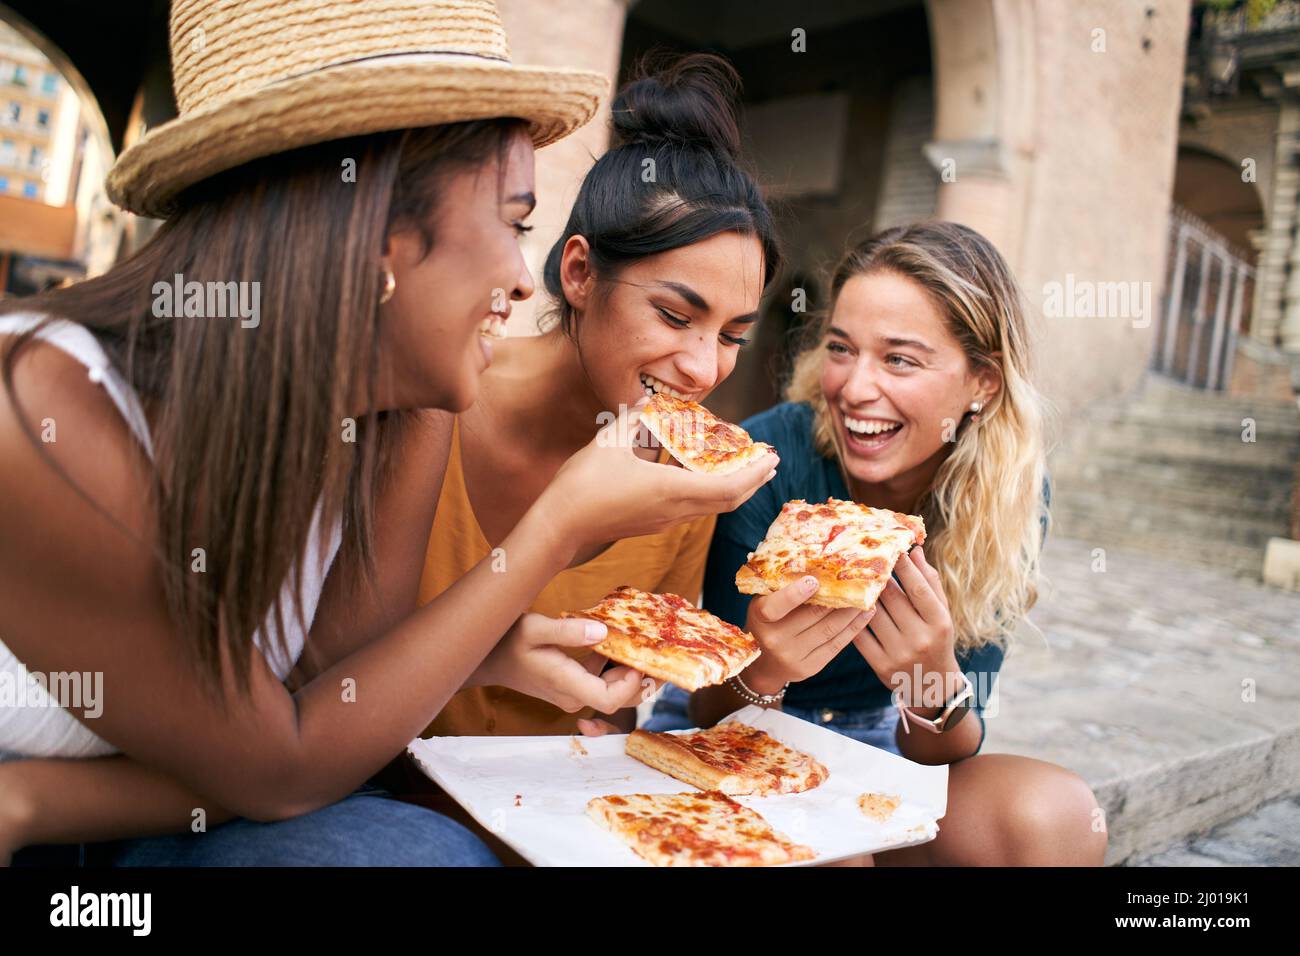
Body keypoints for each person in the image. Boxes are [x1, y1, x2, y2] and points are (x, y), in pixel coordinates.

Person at [0, 0, 776, 866]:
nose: (524, 282)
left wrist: (31, 801)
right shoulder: (45, 422)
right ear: (379, 240)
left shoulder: (407, 407)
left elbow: (327, 713)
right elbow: (285, 766)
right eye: (514, 223)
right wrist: (557, 526)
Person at [648, 221, 1108, 866]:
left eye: (899, 359)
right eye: (841, 348)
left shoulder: (1006, 494)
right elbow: (709, 706)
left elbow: (949, 748)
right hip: (730, 734)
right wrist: (765, 669)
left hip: (875, 742)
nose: (855, 388)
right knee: (835, 855)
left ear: (985, 382)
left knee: (1059, 817)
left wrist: (931, 688)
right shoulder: (767, 465)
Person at [414, 51, 781, 741]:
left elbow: (612, 708)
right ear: (580, 273)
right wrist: (478, 662)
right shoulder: (435, 401)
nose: (702, 370)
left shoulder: (688, 486)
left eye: (733, 335)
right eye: (675, 317)